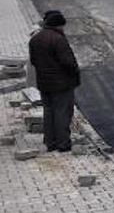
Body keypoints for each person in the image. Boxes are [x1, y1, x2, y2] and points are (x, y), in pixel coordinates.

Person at [29, 10, 80, 152]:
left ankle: (50, 143)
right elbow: (68, 62)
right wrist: (74, 74)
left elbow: (33, 61)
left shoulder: (35, 39)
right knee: (62, 113)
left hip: (44, 83)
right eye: (62, 26)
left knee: (48, 112)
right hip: (62, 83)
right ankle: (63, 144)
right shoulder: (58, 39)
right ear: (58, 25)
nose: (63, 29)